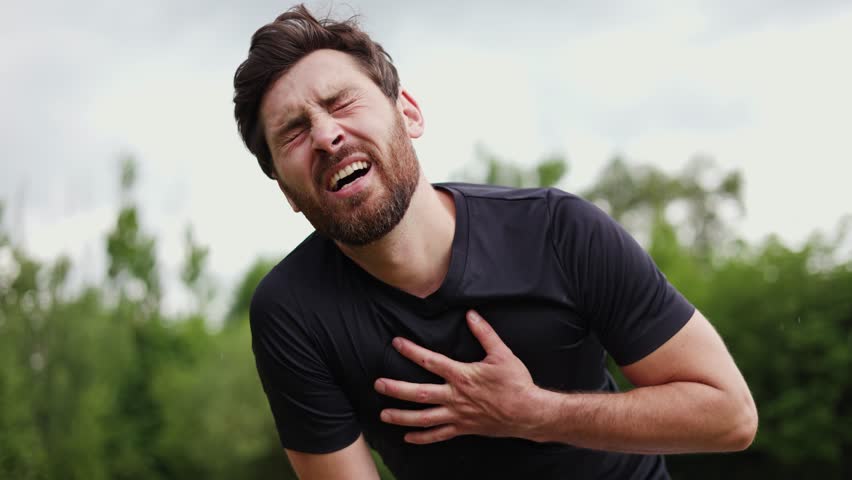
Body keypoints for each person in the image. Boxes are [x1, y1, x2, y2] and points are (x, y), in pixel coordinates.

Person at [232, 5, 758, 479]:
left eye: (341, 102)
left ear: (408, 113)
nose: (326, 136)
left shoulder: (559, 230)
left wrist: (535, 413)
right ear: (287, 193)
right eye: (294, 132)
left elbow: (729, 415)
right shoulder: (292, 312)